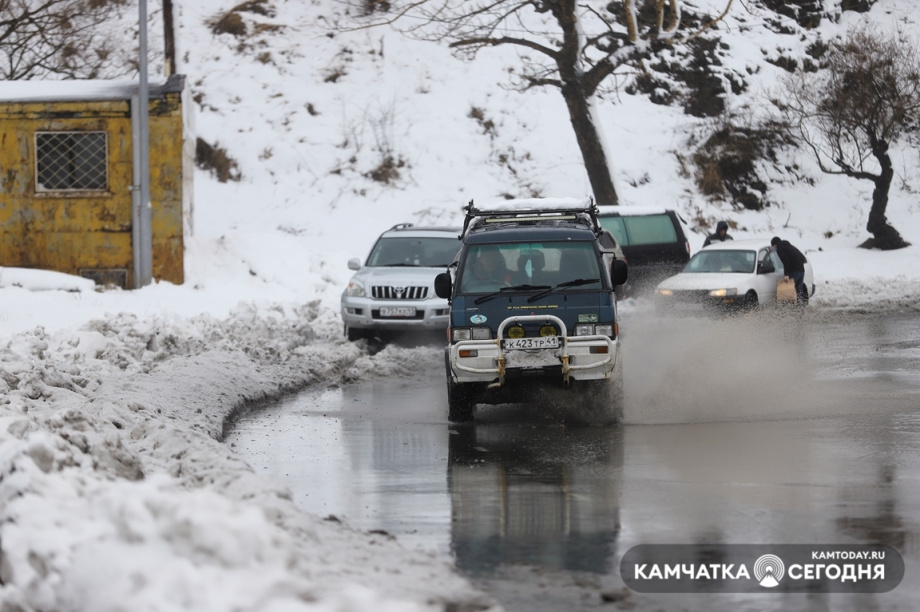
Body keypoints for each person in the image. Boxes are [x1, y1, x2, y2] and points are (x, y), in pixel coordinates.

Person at [771, 236, 808, 304]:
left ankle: (791, 308)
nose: (774, 248)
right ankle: (800, 307)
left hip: (794, 271)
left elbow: (786, 262)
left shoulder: (780, 249)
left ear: (775, 244)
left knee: (790, 290)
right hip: (801, 270)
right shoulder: (789, 246)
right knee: (799, 290)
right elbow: (802, 258)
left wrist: (786, 274)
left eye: (773, 247)